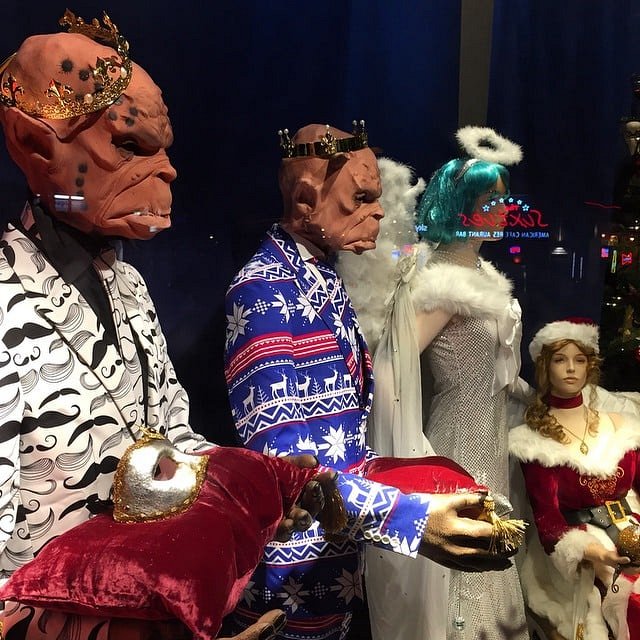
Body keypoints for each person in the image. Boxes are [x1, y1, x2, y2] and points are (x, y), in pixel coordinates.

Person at [0, 12, 317, 640]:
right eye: (129, 146)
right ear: (36, 146)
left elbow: (172, 443)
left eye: (163, 149)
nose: (167, 170)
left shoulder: (129, 286)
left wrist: (264, 493)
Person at [223, 123, 515, 640]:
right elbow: (282, 463)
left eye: (376, 198)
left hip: (341, 551)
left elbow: (354, 421)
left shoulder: (325, 277)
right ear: (306, 199)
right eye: (360, 198)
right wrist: (411, 519)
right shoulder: (264, 290)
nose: (379, 212)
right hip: (294, 568)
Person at [340, 128, 529, 640]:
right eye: (489, 201)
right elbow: (390, 365)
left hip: (492, 438)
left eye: (503, 199)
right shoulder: (441, 284)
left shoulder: (484, 274)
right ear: (460, 205)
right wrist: (413, 450)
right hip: (456, 440)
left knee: (493, 555)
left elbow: (497, 373)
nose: (503, 210)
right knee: (465, 565)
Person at [510, 320, 640, 640]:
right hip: (578, 550)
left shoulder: (621, 426)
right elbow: (548, 522)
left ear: (589, 366)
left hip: (630, 529)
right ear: (545, 367)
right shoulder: (534, 442)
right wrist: (599, 554)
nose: (571, 368)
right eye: (560, 359)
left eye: (579, 360)